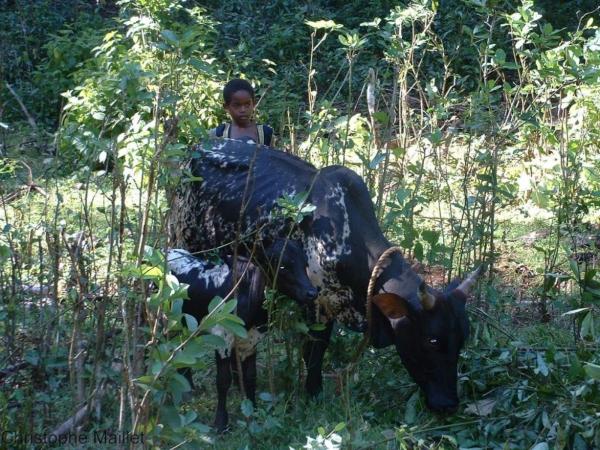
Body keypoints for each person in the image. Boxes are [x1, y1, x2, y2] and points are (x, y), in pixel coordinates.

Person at [210, 78, 275, 146]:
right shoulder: (217, 134)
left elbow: (271, 155)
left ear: (254, 104)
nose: (243, 110)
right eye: (237, 105)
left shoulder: (266, 134)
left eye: (247, 104)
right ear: (226, 107)